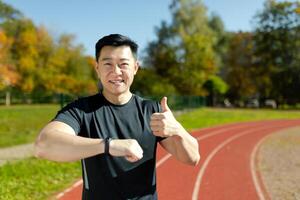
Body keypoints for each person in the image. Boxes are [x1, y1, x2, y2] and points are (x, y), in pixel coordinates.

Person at [34, 34, 200, 200]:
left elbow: (192, 158)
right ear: (97, 68)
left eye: (123, 64)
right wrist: (109, 145)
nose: (116, 72)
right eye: (108, 64)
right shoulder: (81, 110)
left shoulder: (152, 111)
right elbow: (43, 145)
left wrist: (178, 130)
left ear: (135, 68)